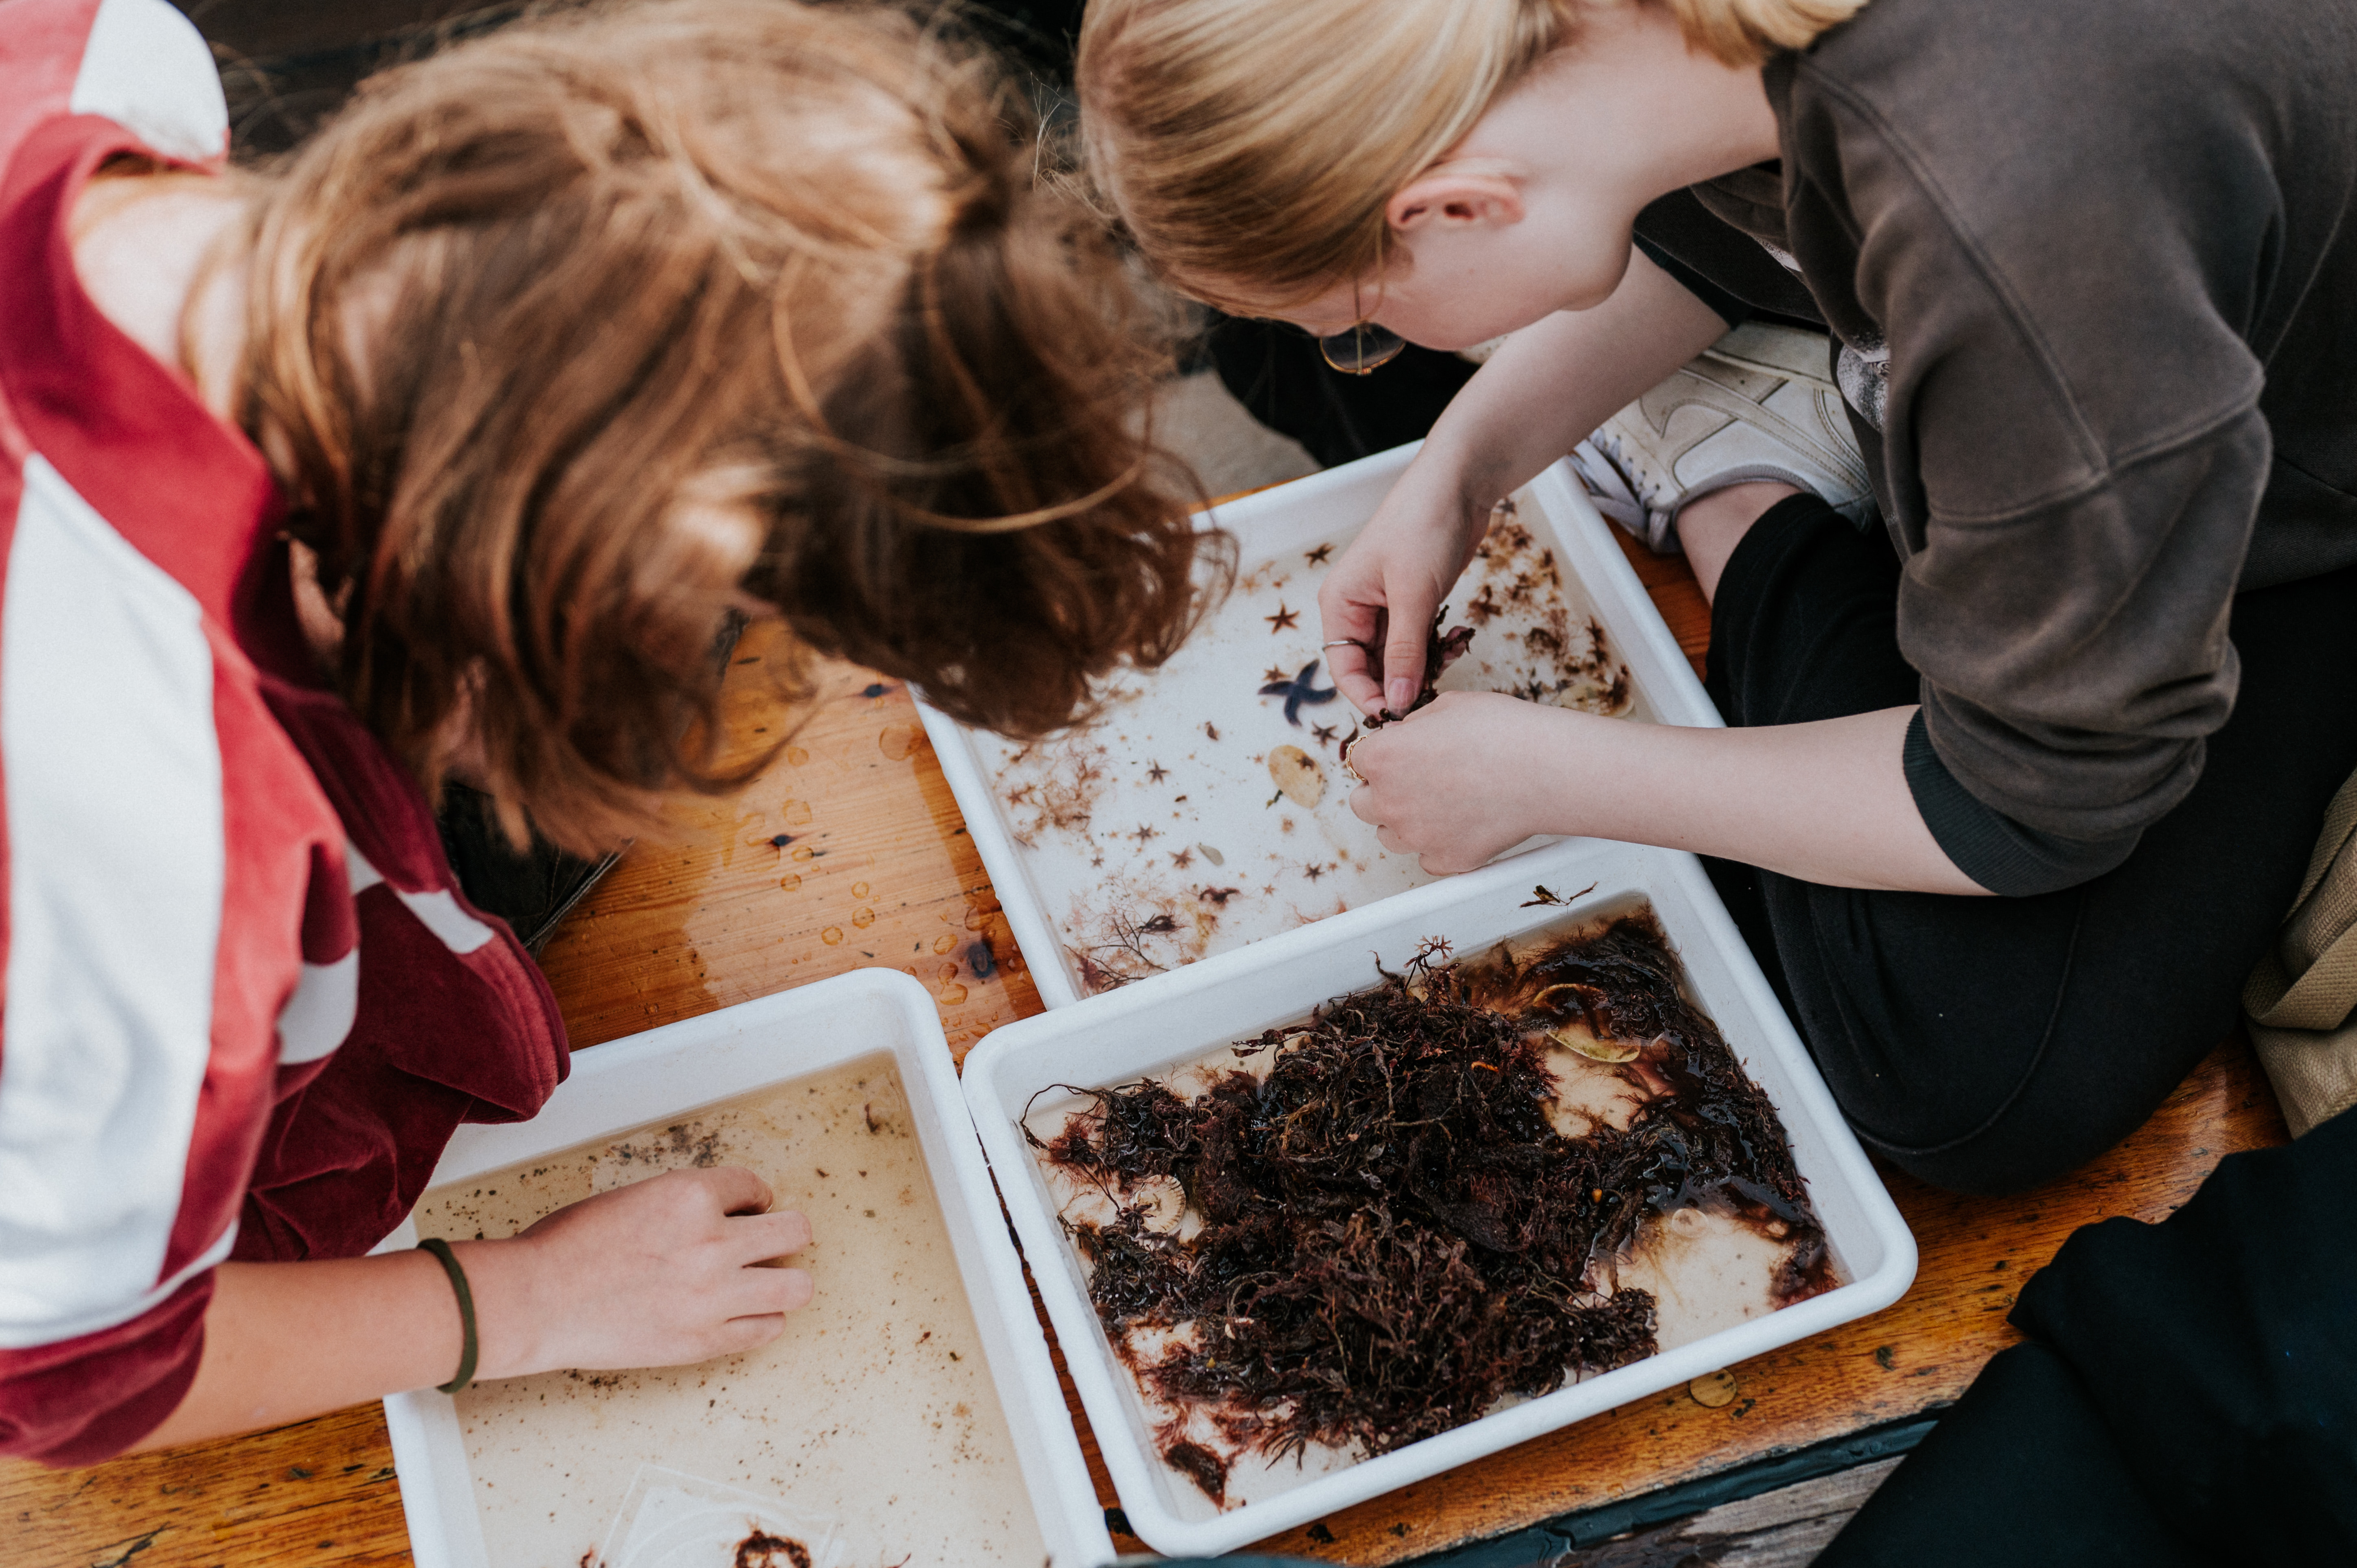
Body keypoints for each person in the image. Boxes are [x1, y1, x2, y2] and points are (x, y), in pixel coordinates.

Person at [0, 0, 1211, 1466]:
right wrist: (522, 1302)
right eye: (732, 624)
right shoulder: (145, 845)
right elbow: (67, 1367)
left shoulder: (104, 53)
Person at [1075, 0, 2357, 1195]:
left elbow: (2041, 798)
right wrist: (1460, 469)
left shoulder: (2025, 226)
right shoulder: (1649, 54)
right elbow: (1712, 234)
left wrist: (1558, 774)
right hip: (2094, 405)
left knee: (1966, 1079)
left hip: (2283, 502)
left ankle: (1743, 492)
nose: (1374, 343)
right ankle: (1787, 426)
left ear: (1458, 205)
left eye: (1357, 318)